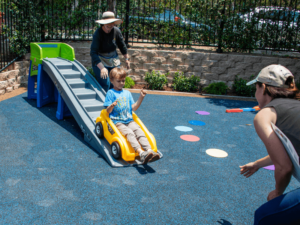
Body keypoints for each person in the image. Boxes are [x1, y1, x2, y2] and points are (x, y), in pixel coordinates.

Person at [239, 64, 300, 225]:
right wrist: (258, 164)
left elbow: (284, 166)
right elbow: (287, 150)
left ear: (263, 87)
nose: (256, 94)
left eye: (256, 88)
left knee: (265, 216)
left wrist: (278, 192)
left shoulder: (265, 114)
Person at [103, 68, 160, 164]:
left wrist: (141, 97)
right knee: (129, 133)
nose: (121, 83)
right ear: (112, 81)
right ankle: (141, 153)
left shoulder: (127, 93)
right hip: (118, 122)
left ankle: (149, 151)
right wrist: (111, 106)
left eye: (123, 80)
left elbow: (134, 108)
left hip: (129, 120)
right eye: (119, 81)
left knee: (139, 131)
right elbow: (107, 111)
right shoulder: (110, 93)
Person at [90, 11, 130, 92]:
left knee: (115, 82)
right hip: (100, 59)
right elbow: (93, 53)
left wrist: (126, 59)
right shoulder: (98, 33)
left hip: (113, 58)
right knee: (106, 83)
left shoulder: (116, 31)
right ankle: (104, 102)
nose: (110, 28)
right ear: (103, 24)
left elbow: (122, 46)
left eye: (112, 25)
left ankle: (114, 102)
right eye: (108, 26)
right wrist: (102, 68)